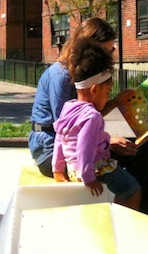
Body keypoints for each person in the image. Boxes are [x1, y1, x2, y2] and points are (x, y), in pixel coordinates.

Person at [28, 17, 148, 215]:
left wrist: (116, 101)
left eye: (111, 51)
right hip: (52, 150)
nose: (108, 56)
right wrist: (108, 141)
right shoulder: (61, 76)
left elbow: (87, 114)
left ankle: (145, 213)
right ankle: (134, 212)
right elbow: (65, 130)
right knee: (138, 156)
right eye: (106, 51)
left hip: (74, 145)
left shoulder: (83, 72)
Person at [52, 39, 141, 209]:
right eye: (107, 92)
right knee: (132, 189)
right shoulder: (92, 117)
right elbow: (85, 149)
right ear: (94, 90)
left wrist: (57, 168)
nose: (108, 97)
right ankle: (123, 222)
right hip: (94, 169)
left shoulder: (68, 108)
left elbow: (60, 139)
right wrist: (89, 178)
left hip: (73, 170)